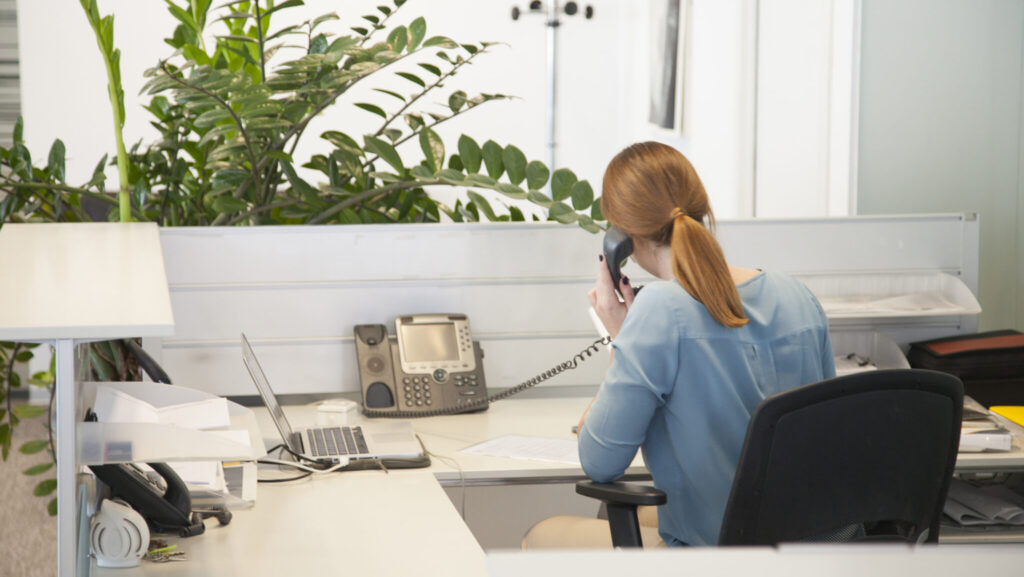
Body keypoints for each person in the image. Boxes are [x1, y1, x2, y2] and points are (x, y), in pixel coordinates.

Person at [522, 141, 835, 549]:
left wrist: (621, 340)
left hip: (715, 555)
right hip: (808, 549)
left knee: (541, 535)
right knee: (625, 513)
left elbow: (600, 463)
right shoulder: (798, 295)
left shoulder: (660, 310)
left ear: (622, 239)